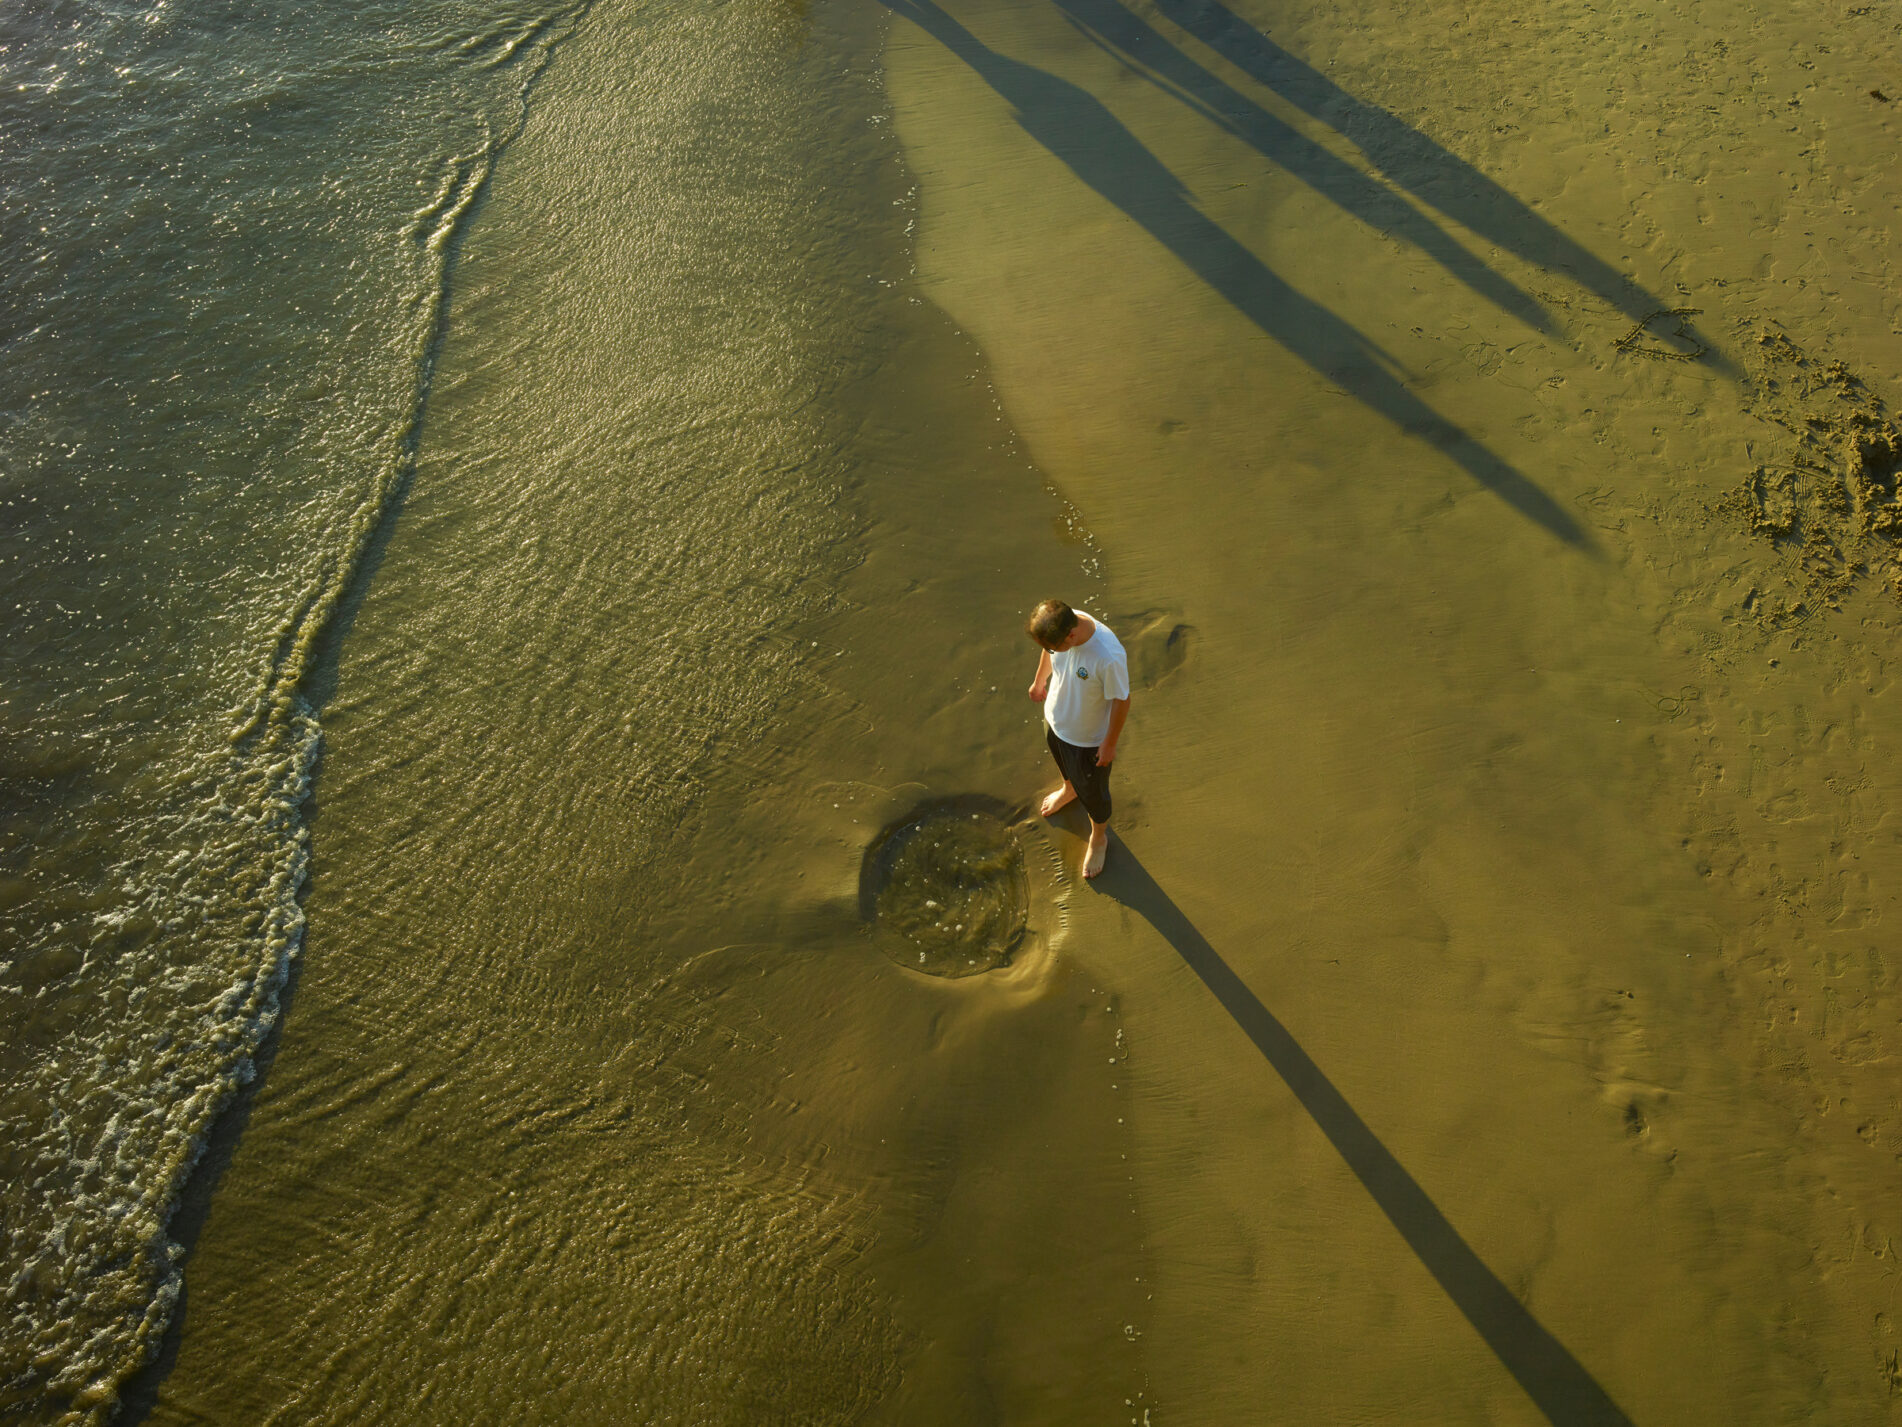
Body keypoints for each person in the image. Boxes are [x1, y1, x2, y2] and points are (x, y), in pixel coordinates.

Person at [1025, 599, 1130, 879]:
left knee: (1094, 795)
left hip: (1087, 741)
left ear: (1071, 636)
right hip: (1055, 720)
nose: (1050, 651)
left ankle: (1098, 838)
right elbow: (1048, 651)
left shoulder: (1107, 656)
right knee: (1065, 766)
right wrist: (1040, 681)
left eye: (1054, 647)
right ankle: (1069, 789)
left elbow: (1122, 700)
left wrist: (1109, 743)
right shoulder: (1064, 622)